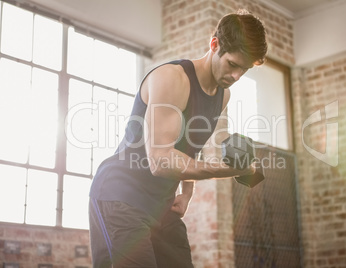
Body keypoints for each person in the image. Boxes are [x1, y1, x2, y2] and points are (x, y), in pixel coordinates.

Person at [89, 9, 268, 268]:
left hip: (160, 206)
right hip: (121, 196)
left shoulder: (222, 94)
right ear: (214, 44)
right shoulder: (171, 78)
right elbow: (160, 161)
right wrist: (227, 170)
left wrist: (187, 193)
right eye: (232, 64)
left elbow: (188, 147)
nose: (237, 76)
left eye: (245, 69)